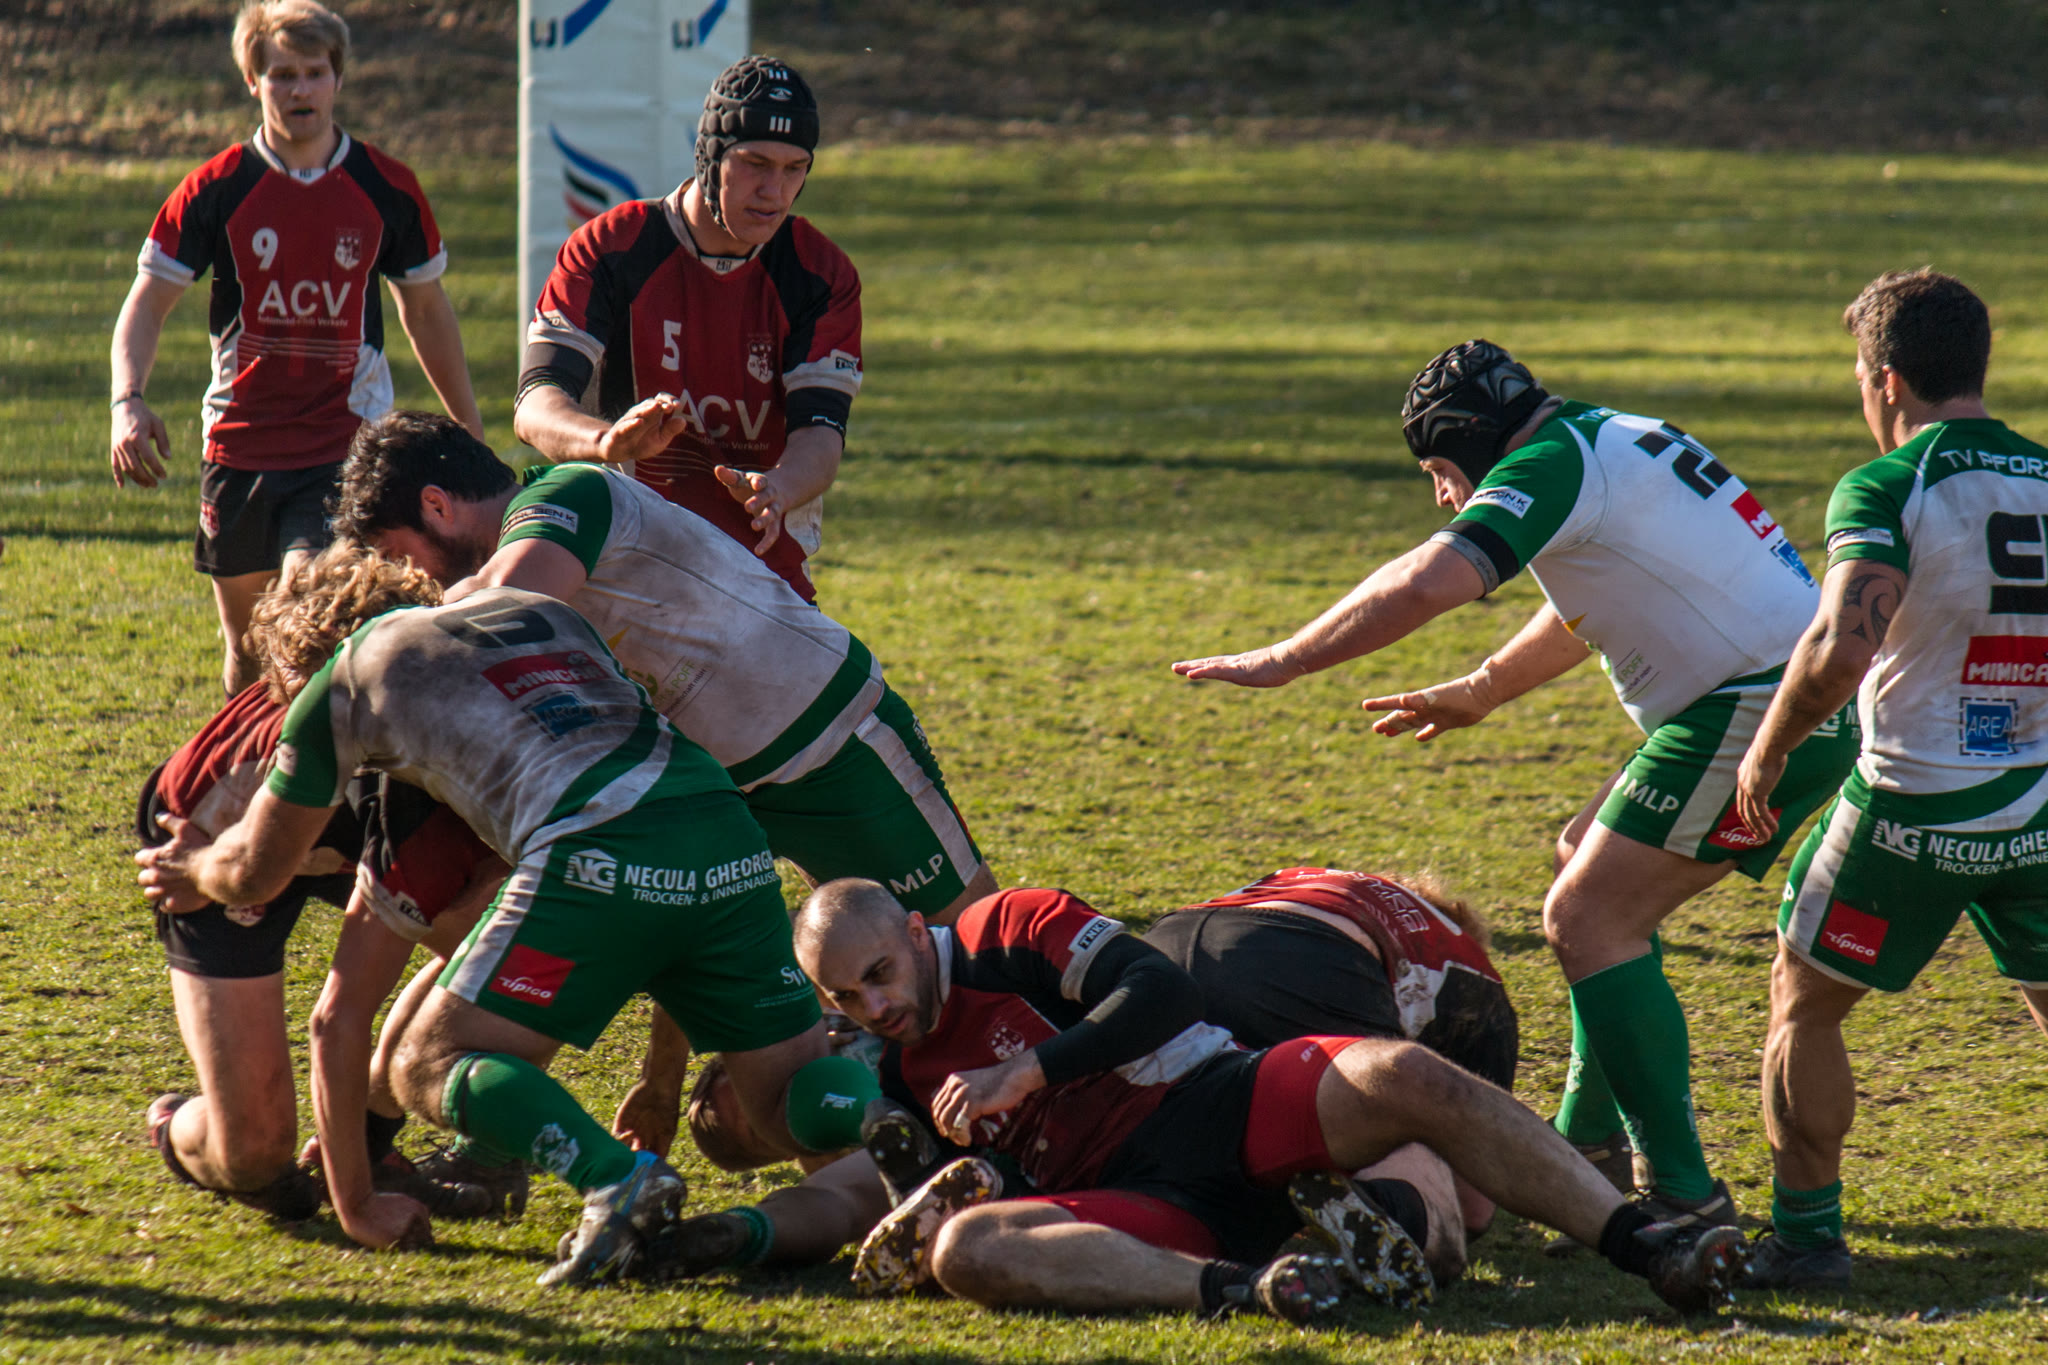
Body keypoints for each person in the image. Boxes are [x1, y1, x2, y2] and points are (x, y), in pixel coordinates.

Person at [1173, 340, 1859, 1227]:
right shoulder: (1609, 436)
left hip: (1760, 708)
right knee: (1584, 862)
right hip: (1773, 699)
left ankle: (1684, 1194)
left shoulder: (1550, 462)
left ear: (1468, 439)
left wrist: (1287, 658)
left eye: (1439, 471)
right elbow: (1591, 600)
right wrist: (1485, 687)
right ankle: (1588, 1141)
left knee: (1589, 916)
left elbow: (1429, 579)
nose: (1444, 495)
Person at [136, 544, 838, 1284]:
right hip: (215, 844)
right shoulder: (520, 621)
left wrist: (358, 1194)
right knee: (256, 1146)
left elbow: (324, 977)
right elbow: (280, 905)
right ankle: (882, 1127)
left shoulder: (380, 729)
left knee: (439, 1040)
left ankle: (553, 1167)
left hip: (558, 841)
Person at [786, 879, 1747, 1321]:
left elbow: (1161, 990)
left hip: (1214, 1095)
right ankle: (1253, 1284)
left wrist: (1029, 1071)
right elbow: (978, 1191)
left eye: (880, 974)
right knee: (966, 1247)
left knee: (1404, 1072)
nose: (875, 1006)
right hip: (1142, 1201)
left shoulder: (1006, 925)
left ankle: (1646, 1245)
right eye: (847, 997)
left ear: (914, 930)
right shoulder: (895, 1072)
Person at [1732, 270, 2048, 1289]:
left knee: (1803, 1002)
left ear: (1886, 380)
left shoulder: (1886, 485)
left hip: (1910, 808)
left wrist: (1770, 747)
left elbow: (1838, 646)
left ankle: (1805, 1238)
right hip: (2040, 803)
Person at [109, 0, 482, 696]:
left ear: (338, 78)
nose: (300, 90)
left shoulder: (386, 188)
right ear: (254, 81)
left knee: (308, 601)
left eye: (314, 72)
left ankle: (308, 763)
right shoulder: (216, 188)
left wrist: (469, 427)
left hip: (343, 443)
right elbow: (148, 302)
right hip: (239, 446)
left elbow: (426, 310)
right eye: (282, 75)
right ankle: (243, 753)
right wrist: (126, 400)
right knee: (247, 650)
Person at [514, 55, 857, 602]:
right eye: (755, 163)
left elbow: (820, 435)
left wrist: (779, 487)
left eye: (795, 169)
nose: (774, 191)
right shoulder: (613, 247)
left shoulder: (818, 271)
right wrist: (604, 441)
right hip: (624, 563)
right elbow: (535, 406)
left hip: (761, 573)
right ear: (709, 157)